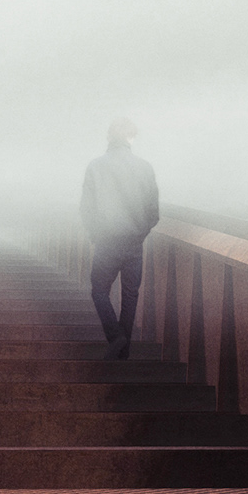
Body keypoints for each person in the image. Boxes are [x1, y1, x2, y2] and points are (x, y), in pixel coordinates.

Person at [79, 117, 158, 359]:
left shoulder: (95, 166)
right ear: (131, 138)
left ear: (109, 137)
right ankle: (123, 350)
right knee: (130, 295)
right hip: (134, 243)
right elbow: (153, 212)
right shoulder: (144, 167)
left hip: (107, 242)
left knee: (99, 290)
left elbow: (87, 208)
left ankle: (116, 337)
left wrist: (96, 234)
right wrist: (139, 233)